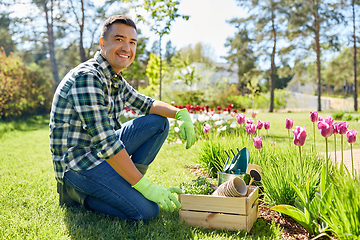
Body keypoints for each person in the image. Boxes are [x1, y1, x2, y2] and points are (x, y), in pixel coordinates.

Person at [49, 15, 196, 222]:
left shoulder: (114, 78)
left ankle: (124, 183)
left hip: (100, 155)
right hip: (79, 164)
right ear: (103, 43)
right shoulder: (88, 77)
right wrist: (147, 188)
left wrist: (180, 113)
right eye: (119, 39)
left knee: (158, 122)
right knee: (146, 212)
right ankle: (78, 195)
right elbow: (107, 143)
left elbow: (147, 104)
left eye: (132, 42)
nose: (126, 47)